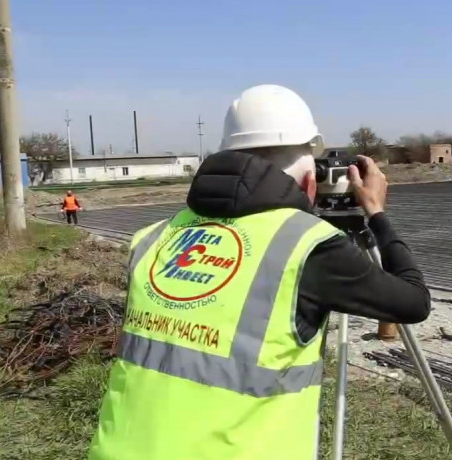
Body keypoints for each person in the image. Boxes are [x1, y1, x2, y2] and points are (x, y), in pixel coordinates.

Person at [88, 85, 431, 460]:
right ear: (308, 181)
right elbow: (412, 302)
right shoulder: (308, 247)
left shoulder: (152, 238)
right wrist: (377, 214)